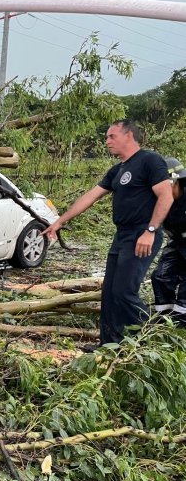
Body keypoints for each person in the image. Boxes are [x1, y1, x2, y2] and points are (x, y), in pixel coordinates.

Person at [43, 119, 173, 346]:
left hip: (141, 234)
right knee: (110, 294)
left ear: (129, 136)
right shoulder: (118, 169)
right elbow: (90, 197)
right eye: (107, 137)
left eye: (112, 136)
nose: (107, 142)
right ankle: (109, 345)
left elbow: (166, 196)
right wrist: (59, 222)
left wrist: (150, 231)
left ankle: (153, 340)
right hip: (122, 235)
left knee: (124, 292)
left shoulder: (149, 161)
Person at [151, 157, 186, 325]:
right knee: (161, 276)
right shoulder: (160, 200)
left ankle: (181, 324)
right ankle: (164, 321)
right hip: (178, 241)